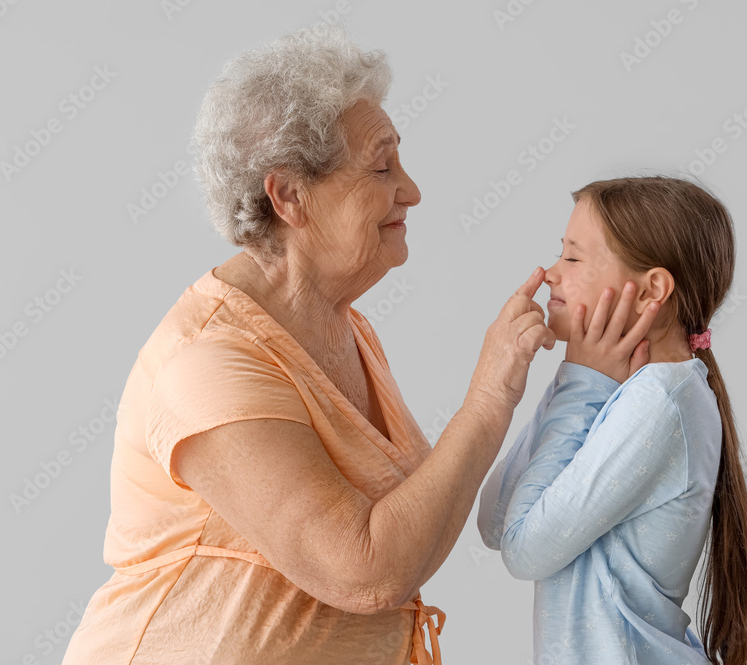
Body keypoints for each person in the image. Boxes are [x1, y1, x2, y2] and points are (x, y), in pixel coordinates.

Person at [61, 24, 558, 665]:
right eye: (381, 167)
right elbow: (366, 570)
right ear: (290, 195)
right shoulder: (207, 362)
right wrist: (490, 397)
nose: (411, 190)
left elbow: (418, 529)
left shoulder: (345, 325)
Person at [477, 176, 747, 665]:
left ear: (652, 288)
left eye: (573, 257)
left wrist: (581, 383)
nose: (550, 273)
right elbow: (494, 522)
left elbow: (524, 548)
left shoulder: (660, 402)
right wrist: (576, 381)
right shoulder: (623, 391)